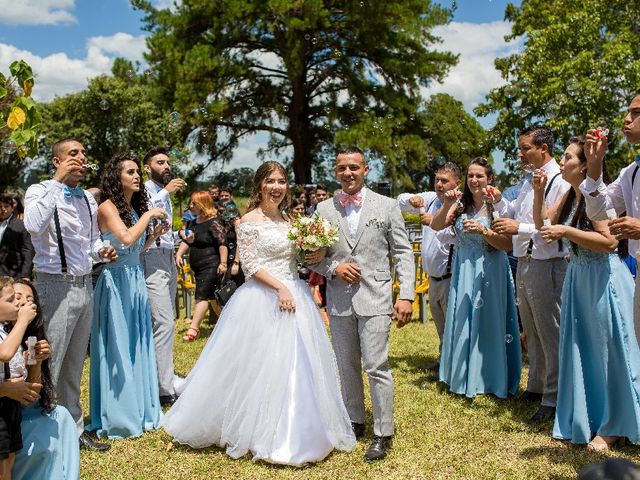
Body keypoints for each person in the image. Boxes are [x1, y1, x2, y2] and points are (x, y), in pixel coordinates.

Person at [163, 161, 355, 466]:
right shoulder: (248, 221)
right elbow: (251, 266)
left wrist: (313, 252)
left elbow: (300, 259)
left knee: (298, 364)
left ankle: (300, 429)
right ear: (259, 186)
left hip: (296, 294)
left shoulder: (291, 220)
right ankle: (253, 428)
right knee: (256, 365)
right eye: (270, 181)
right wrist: (280, 288)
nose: (276, 187)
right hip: (264, 297)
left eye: (281, 181)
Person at [532, 137, 640, 451]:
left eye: (566, 157)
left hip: (604, 278)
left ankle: (615, 426)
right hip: (579, 275)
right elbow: (543, 225)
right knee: (584, 349)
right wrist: (539, 194)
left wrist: (566, 232)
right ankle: (588, 417)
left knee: (609, 351)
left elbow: (608, 243)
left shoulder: (596, 195)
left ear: (583, 166)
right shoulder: (567, 194)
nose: (561, 162)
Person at [313, 146, 415, 462]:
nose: (348, 173)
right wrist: (333, 268)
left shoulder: (386, 206)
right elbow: (310, 256)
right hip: (339, 301)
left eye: (354, 167)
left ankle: (383, 432)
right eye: (342, 168)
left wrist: (406, 294)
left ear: (366, 169)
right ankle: (354, 421)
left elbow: (402, 253)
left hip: (376, 297)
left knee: (376, 365)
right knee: (346, 365)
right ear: (335, 172)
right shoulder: (322, 210)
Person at [24, 138, 115, 451]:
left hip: (84, 283)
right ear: (56, 161)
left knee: (76, 362)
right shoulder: (38, 190)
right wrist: (58, 182)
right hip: (53, 284)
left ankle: (73, 430)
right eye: (73, 153)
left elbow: (90, 244)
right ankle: (40, 427)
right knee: (51, 359)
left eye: (83, 152)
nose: (81, 157)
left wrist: (102, 251)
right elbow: (34, 226)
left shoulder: (88, 200)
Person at [491, 125, 571, 424]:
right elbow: (517, 211)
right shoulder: (529, 180)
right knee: (533, 330)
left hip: (548, 263)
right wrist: (499, 200)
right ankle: (537, 385)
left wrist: (518, 229)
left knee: (550, 332)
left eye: (525, 148)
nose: (520, 153)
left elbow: (551, 228)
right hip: (525, 260)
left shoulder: (561, 181)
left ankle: (554, 397)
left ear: (543, 149)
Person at [87, 153, 166, 439]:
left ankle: (140, 407)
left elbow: (136, 248)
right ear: (116, 176)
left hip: (134, 280)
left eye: (138, 172)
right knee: (119, 345)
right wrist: (148, 216)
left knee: (137, 343)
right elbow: (126, 239)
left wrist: (154, 236)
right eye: (130, 172)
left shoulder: (131, 208)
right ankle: (120, 414)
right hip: (115, 283)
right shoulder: (107, 206)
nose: (137, 176)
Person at [430, 158, 521, 399]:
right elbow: (436, 225)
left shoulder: (497, 207)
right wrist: (447, 202)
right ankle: (462, 375)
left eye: (479, 175)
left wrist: (484, 231)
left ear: (489, 178)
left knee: (490, 322)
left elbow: (505, 245)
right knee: (463, 321)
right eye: (470, 175)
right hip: (463, 269)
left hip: (490, 270)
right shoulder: (460, 204)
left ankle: (490, 378)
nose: (474, 180)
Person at [579, 92, 640, 342]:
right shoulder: (632, 172)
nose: (626, 119)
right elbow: (599, 212)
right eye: (627, 112)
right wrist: (595, 164)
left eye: (636, 113)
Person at [11, 280, 80, 480]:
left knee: (63, 416)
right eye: (17, 298)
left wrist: (37, 363)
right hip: (9, 415)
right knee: (43, 436)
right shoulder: (3, 339)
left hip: (27, 410)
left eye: (30, 298)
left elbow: (32, 396)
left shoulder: (32, 339)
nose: (24, 302)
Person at [397, 162, 462, 371]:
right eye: (437, 180)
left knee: (454, 325)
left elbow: (455, 235)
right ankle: (444, 361)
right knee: (441, 324)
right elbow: (400, 201)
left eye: (445, 181)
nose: (439, 184)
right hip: (432, 278)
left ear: (457, 183)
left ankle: (453, 367)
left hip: (451, 275)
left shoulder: (459, 205)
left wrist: (433, 220)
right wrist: (410, 199)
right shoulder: (430, 199)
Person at [141, 146, 186, 407]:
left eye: (168, 162)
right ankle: (162, 388)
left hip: (168, 255)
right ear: (148, 167)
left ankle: (165, 378)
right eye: (160, 162)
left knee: (168, 320)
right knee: (163, 321)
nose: (167, 166)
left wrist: (180, 236)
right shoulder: (148, 190)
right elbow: (146, 214)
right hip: (152, 258)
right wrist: (164, 193)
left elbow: (163, 226)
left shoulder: (163, 193)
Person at [175, 191, 227, 341]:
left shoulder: (214, 221)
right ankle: (229, 323)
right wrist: (179, 254)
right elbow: (187, 241)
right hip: (197, 267)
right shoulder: (193, 222)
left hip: (211, 265)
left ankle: (194, 329)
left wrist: (223, 263)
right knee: (212, 298)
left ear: (202, 204)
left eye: (193, 203)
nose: (190, 206)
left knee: (201, 295)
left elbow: (222, 243)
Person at [0, 276, 38, 480]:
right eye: (10, 300)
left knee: (9, 457)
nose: (17, 303)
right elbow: (4, 353)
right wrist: (22, 321)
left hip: (8, 406)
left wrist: (32, 360)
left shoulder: (5, 330)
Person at [0, 193, 34, 280]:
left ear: (12, 208)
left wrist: (26, 275)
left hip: (12, 276)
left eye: (6, 206)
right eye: (0, 206)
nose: (3, 209)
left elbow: (27, 251)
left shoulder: (21, 225)